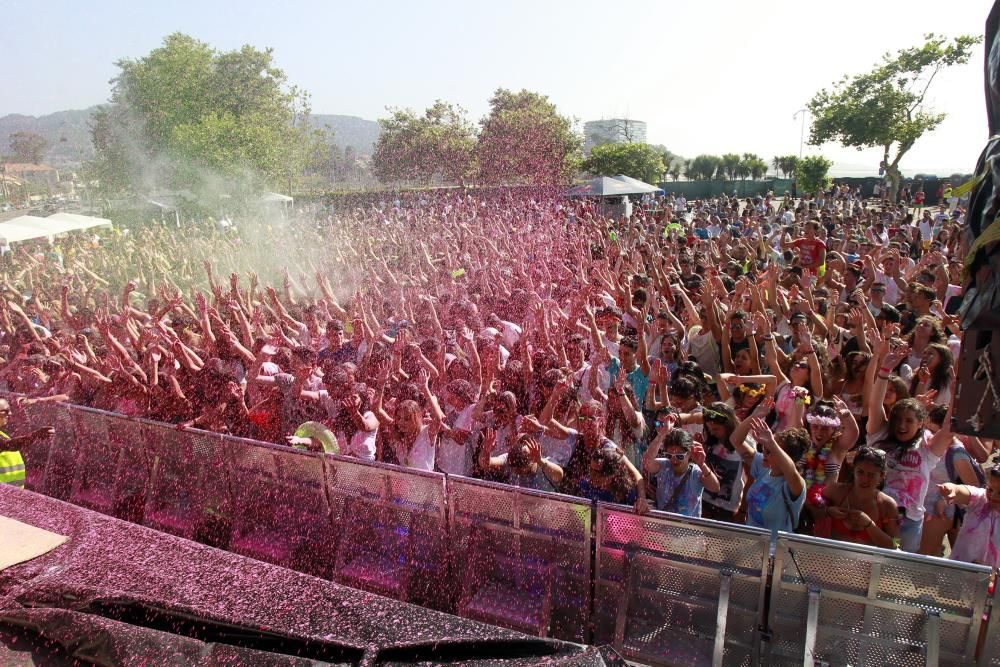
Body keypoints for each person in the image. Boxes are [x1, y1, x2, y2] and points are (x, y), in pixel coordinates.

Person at [733, 417, 808, 534]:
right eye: (764, 448)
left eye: (770, 451)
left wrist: (772, 443)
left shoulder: (794, 484)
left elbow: (791, 470)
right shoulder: (764, 468)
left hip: (775, 550)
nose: (764, 453)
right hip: (750, 544)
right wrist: (756, 414)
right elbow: (735, 440)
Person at [821, 447, 899, 548]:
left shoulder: (887, 504)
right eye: (860, 472)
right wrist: (827, 511)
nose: (864, 479)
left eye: (871, 475)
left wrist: (869, 524)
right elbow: (808, 509)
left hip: (869, 563)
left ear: (882, 475)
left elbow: (896, 543)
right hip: (831, 560)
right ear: (854, 470)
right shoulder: (836, 491)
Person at [642, 418, 720, 516]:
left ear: (689, 454)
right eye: (669, 455)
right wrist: (662, 434)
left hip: (688, 529)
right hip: (664, 527)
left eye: (680, 456)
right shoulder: (664, 466)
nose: (674, 460)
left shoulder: (695, 473)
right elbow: (646, 463)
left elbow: (715, 487)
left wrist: (702, 464)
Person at [938, 465, 1000, 568]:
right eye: (990, 489)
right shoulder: (981, 500)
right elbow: (963, 491)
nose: (993, 496)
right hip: (962, 574)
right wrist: (952, 489)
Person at [0, 398, 55, 488]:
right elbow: (9, 445)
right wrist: (35, 436)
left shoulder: (2, 434)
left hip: (10, 493)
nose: (10, 414)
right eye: (5, 411)